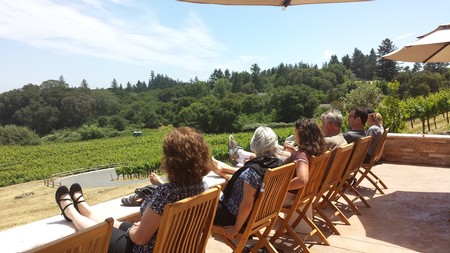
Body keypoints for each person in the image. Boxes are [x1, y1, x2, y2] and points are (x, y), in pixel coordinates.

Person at [54, 127, 213, 253]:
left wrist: (132, 231)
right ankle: (83, 207)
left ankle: (70, 212)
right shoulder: (202, 187)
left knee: (100, 231)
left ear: (172, 161)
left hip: (144, 248)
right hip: (175, 246)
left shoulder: (167, 192)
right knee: (115, 223)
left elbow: (141, 239)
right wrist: (136, 228)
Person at [213, 119, 327, 206]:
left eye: (295, 132)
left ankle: (223, 166)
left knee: (252, 179)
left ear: (302, 135)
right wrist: (294, 152)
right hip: (300, 194)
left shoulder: (302, 156)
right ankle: (222, 169)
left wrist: (278, 187)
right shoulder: (314, 150)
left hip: (286, 197)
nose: (294, 133)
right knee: (258, 169)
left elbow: (302, 179)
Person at [212, 126, 284, 239]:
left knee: (202, 209)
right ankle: (219, 167)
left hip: (237, 218)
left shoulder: (252, 172)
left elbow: (247, 204)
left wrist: (236, 228)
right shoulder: (279, 164)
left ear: (254, 143)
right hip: (260, 216)